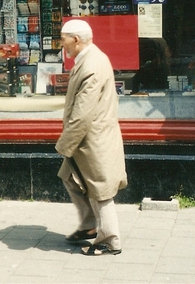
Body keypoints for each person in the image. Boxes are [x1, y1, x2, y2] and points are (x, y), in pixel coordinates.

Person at [55, 19, 128, 256]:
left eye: (63, 38)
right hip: (87, 139)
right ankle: (89, 226)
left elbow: (82, 114)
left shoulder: (91, 65)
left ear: (75, 39)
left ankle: (109, 240)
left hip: (93, 140)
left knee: (99, 189)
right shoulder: (88, 59)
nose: (61, 43)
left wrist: (65, 145)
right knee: (69, 177)